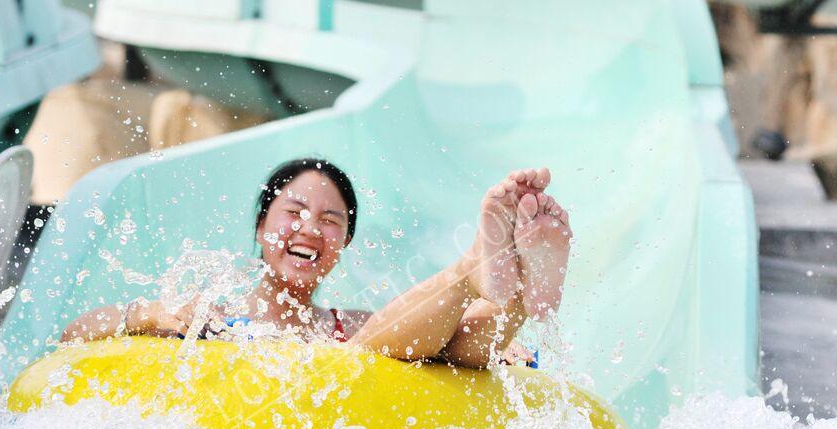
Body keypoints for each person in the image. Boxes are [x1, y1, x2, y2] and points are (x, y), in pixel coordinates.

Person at [60, 158, 571, 369]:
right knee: (370, 351)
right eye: (295, 211)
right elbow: (73, 336)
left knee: (442, 349)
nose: (310, 228)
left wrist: (499, 344)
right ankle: (476, 273)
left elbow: (449, 346)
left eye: (331, 220)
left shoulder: (349, 323)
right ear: (262, 228)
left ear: (343, 244)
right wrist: (145, 315)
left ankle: (518, 292)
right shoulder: (204, 311)